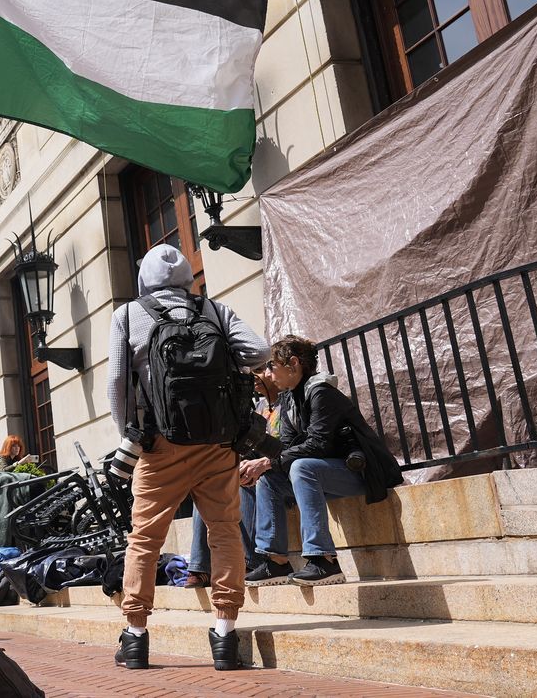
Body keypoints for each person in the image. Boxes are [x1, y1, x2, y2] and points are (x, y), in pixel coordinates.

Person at [106, 244, 268, 672]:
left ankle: (136, 637)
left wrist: (132, 435)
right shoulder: (216, 311)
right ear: (187, 278)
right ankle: (224, 633)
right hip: (216, 444)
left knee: (145, 539)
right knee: (225, 532)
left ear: (145, 279)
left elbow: (117, 382)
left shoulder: (128, 315)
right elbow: (262, 352)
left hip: (161, 447)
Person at [245, 335, 395, 587]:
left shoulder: (321, 393)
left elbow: (318, 444)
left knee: (301, 467)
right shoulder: (290, 398)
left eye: (272, 365)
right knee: (269, 479)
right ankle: (275, 562)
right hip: (324, 474)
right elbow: (289, 447)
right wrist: (259, 459)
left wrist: (269, 462)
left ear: (293, 363)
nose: (268, 374)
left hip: (362, 473)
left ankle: (324, 559)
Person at [185, 364, 288, 586]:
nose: (256, 377)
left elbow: (288, 448)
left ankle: (251, 560)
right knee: (206, 487)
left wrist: (259, 464)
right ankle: (201, 567)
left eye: (261, 369)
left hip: (279, 472)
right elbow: (248, 447)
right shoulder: (259, 406)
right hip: (257, 468)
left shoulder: (288, 403)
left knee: (247, 484)